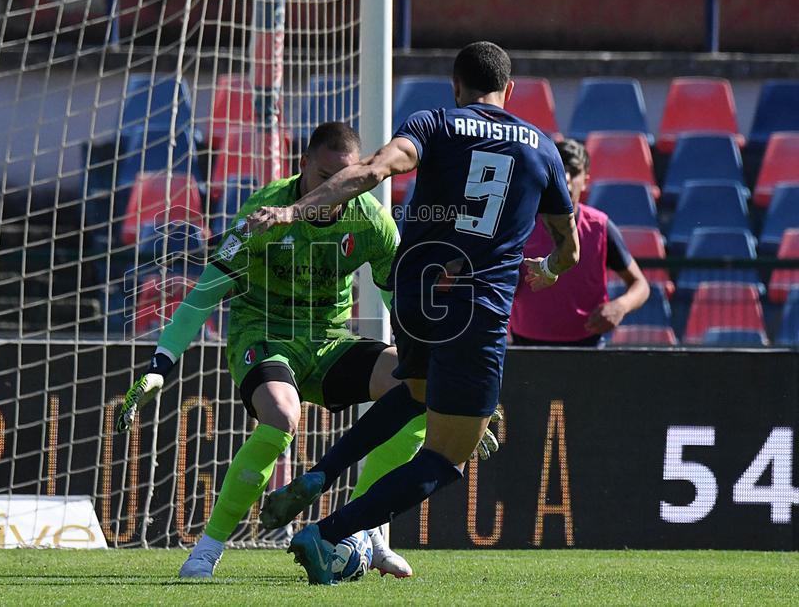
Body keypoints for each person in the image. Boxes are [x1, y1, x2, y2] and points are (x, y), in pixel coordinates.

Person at [246, 41, 580, 585]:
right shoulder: (541, 147)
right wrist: (549, 268)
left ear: (455, 86)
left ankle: (319, 474)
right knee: (447, 456)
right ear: (509, 91)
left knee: (418, 392)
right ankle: (329, 533)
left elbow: (374, 171)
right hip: (476, 305)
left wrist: (294, 209)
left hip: (414, 293)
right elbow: (571, 248)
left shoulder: (434, 123)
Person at [116, 122, 496, 579]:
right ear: (303, 167)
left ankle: (364, 528)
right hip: (264, 336)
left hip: (330, 342)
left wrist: (448, 389)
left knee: (419, 389)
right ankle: (207, 550)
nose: (335, 188)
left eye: (345, 178)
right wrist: (161, 363)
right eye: (324, 177)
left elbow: (404, 300)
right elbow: (205, 292)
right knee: (280, 416)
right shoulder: (265, 211)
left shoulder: (370, 218)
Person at [510, 138, 649, 346]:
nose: (565, 178)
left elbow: (641, 285)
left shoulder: (600, 226)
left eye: (573, 171)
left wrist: (620, 306)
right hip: (526, 343)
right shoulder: (522, 221)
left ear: (585, 180)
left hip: (587, 346)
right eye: (558, 170)